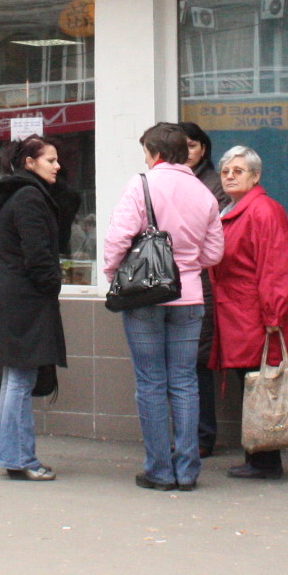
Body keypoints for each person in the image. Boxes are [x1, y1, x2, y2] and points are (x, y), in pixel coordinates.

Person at [103, 122, 226, 491]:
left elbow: (117, 239)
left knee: (151, 381)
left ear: (155, 153)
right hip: (190, 296)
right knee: (185, 381)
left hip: (145, 295)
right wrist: (186, 266)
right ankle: (187, 471)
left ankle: (159, 469)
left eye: (146, 152)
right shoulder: (204, 192)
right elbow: (214, 253)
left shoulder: (141, 185)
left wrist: (114, 275)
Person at [0, 135, 77, 482]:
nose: (58, 166)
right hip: (26, 299)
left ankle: (15, 455)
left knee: (15, 379)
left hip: (16, 295)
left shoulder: (18, 194)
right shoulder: (29, 197)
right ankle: (20, 458)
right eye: (50, 160)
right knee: (20, 380)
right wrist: (52, 283)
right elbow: (38, 254)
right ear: (29, 162)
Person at [213, 146, 288, 480]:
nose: (230, 176)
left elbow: (276, 267)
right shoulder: (234, 210)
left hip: (255, 315)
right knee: (252, 384)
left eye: (238, 171)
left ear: (256, 176)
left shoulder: (264, 211)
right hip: (239, 312)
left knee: (261, 384)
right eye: (226, 171)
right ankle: (258, 457)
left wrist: (273, 317)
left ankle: (265, 461)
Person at [178, 121, 227, 457]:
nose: (186, 152)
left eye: (192, 146)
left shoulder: (214, 183)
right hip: (177, 282)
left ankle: (203, 435)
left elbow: (211, 236)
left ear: (203, 149)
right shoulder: (170, 180)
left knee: (198, 360)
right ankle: (188, 434)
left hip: (206, 283)